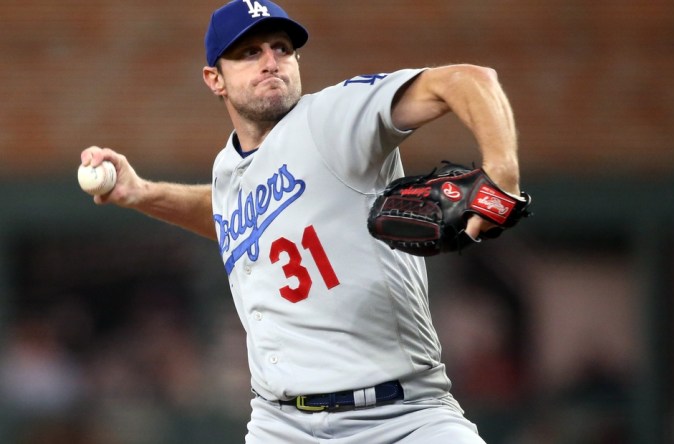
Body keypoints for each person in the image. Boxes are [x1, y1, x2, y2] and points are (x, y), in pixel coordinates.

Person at [80, 1, 522, 442]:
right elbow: (225, 215)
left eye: (281, 48)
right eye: (249, 52)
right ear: (214, 79)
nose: (270, 61)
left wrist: (502, 171)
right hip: (282, 424)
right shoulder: (228, 168)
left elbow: (467, 80)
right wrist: (142, 194)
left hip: (403, 416)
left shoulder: (332, 117)